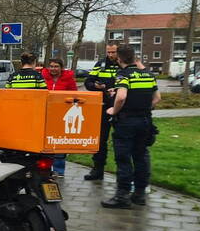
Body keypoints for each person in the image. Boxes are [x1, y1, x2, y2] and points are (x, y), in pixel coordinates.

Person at [100, 46, 159, 209]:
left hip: (126, 122)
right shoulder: (148, 74)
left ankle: (122, 196)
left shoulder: (123, 74)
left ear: (119, 59)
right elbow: (157, 98)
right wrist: (144, 108)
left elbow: (122, 97)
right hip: (145, 121)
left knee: (124, 158)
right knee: (141, 156)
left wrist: (114, 110)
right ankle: (139, 194)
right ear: (134, 57)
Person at [83, 42, 120, 181]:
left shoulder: (124, 64)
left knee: (121, 141)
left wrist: (110, 86)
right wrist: (97, 86)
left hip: (120, 108)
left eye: (113, 52)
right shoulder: (100, 64)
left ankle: (122, 173)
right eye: (108, 52)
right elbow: (88, 82)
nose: (110, 55)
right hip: (103, 108)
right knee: (100, 140)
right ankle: (98, 170)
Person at [41, 58, 77, 177]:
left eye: (56, 66)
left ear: (61, 68)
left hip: (62, 114)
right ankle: (44, 168)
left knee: (60, 142)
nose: (53, 69)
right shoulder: (42, 77)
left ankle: (59, 170)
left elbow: (74, 94)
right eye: (51, 66)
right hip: (45, 113)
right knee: (45, 142)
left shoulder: (69, 79)